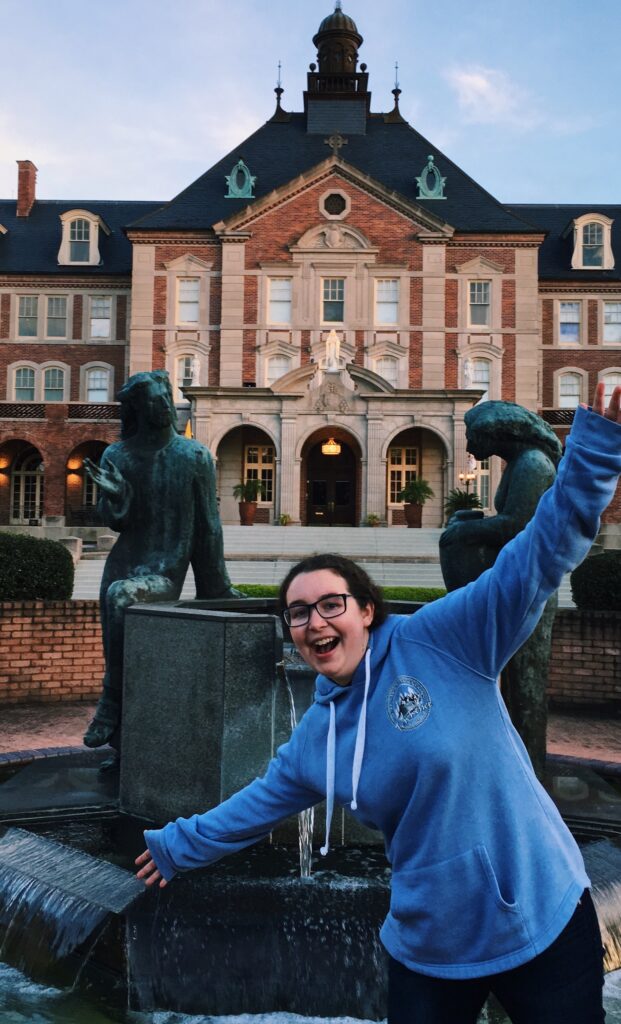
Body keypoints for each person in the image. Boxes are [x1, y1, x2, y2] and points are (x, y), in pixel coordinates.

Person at [136, 384, 621, 1023]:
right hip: (428, 944)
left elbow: (536, 556)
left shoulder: (446, 639)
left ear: (366, 610)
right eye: (298, 613)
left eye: (331, 603)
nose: (314, 622)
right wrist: (176, 846)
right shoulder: (319, 736)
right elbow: (254, 808)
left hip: (541, 917)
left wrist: (594, 454)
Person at [83, 370, 238, 755]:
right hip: (123, 563)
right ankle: (122, 750)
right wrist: (118, 497)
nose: (165, 407)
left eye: (166, 398)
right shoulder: (117, 454)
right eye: (155, 401)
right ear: (137, 408)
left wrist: (214, 588)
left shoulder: (194, 456)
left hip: (163, 569)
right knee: (116, 625)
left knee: (121, 597)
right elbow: (114, 521)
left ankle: (110, 700)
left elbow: (209, 526)